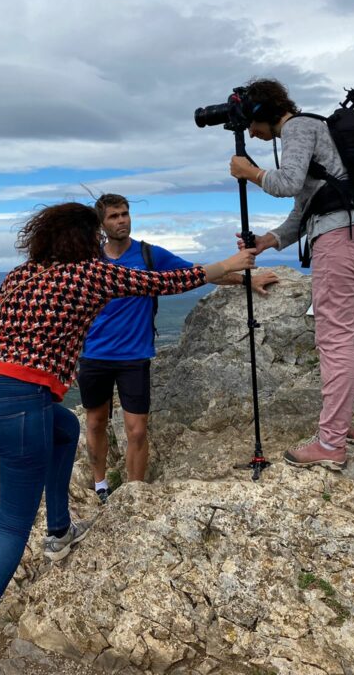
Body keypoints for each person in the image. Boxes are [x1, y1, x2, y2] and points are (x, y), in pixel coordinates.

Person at [0, 202, 256, 675]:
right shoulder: (90, 274)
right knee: (9, 528)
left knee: (65, 429)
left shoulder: (22, 274)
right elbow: (163, 283)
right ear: (87, 238)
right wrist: (229, 265)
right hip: (19, 404)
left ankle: (60, 530)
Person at [228, 78, 354, 472]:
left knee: (334, 342)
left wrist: (249, 172)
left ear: (262, 112)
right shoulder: (318, 131)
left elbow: (286, 184)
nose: (251, 133)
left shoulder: (298, 127)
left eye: (251, 124)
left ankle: (331, 443)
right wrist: (267, 240)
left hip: (339, 242)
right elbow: (304, 210)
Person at [78, 193, 280, 501]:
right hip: (95, 354)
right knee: (95, 422)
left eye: (124, 214)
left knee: (137, 429)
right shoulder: (90, 260)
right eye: (114, 216)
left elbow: (194, 273)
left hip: (134, 355)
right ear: (102, 224)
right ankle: (101, 485)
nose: (121, 221)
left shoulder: (148, 255)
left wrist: (246, 281)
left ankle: (134, 493)